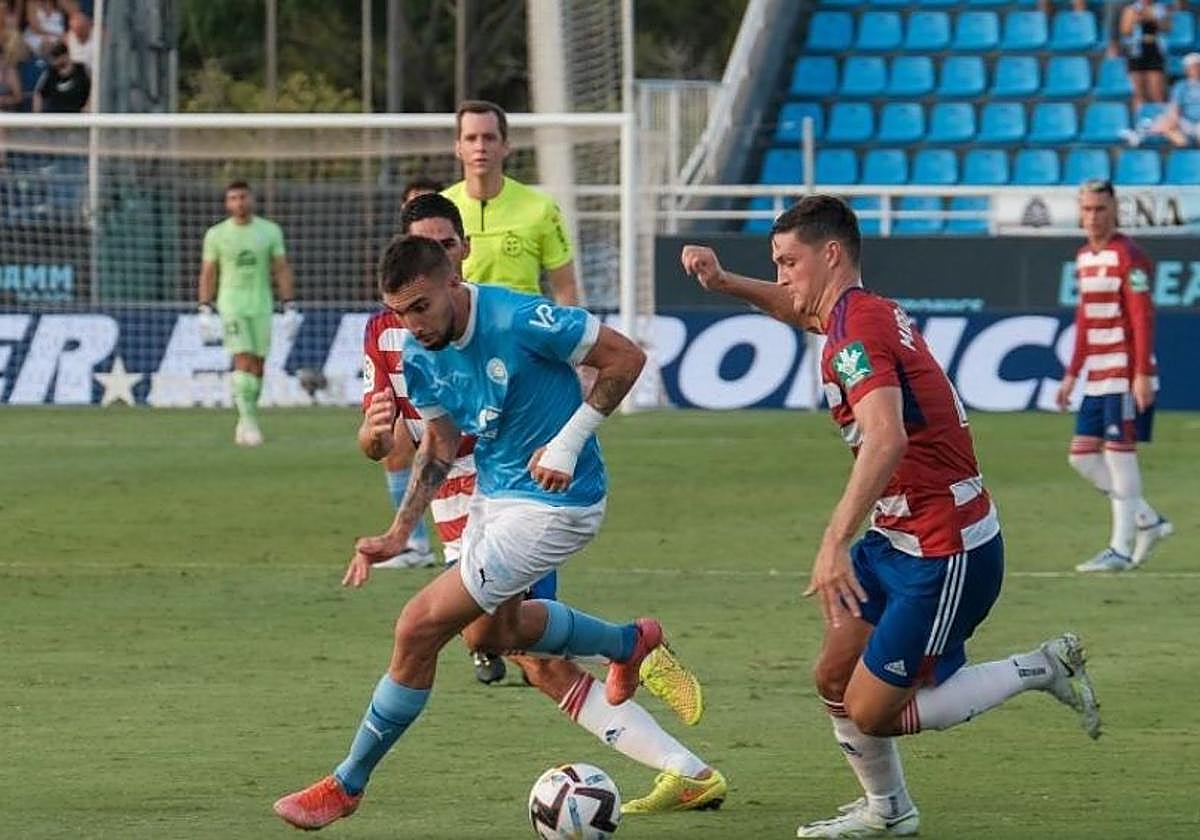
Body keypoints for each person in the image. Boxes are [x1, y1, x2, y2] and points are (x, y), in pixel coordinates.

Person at [681, 195, 1101, 838]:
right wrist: (723, 282)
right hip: (898, 536)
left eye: (789, 262)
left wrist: (831, 542)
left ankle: (1040, 666)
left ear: (831, 255)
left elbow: (886, 438)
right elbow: (798, 309)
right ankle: (890, 811)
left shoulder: (858, 329)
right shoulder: (856, 313)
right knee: (832, 675)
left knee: (872, 712)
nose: (784, 276)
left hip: (945, 548)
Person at [273, 234, 702, 830]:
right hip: (494, 500)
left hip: (559, 504)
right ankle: (629, 642)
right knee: (492, 637)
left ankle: (346, 784)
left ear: (453, 280)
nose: (412, 325)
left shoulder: (520, 316)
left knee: (417, 627)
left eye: (421, 307)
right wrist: (400, 531)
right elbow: (441, 444)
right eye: (399, 313)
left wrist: (567, 443)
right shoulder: (419, 354)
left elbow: (625, 357)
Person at [1056, 180, 1171, 572]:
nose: (1092, 217)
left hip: (1124, 372)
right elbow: (1086, 319)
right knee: (1081, 456)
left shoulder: (1129, 256)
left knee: (1120, 458)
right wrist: (1073, 374)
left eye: (1100, 209)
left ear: (1115, 210)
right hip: (1098, 375)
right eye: (1086, 209)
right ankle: (1148, 520)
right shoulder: (1085, 257)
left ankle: (1120, 549)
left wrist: (1141, 373)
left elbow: (1142, 316)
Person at [443, 99, 581, 305]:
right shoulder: (440, 208)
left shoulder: (541, 208)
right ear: (458, 148)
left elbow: (565, 287)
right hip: (463, 334)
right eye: (471, 138)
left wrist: (565, 335)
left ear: (506, 146)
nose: (480, 147)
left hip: (524, 333)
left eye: (489, 138)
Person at [197, 180, 298, 446]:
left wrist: (288, 305)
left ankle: (246, 418)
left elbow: (280, 268)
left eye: (243, 197)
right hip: (231, 305)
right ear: (227, 203)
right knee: (242, 360)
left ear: (252, 200)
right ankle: (250, 422)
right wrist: (205, 307)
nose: (239, 202)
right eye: (233, 198)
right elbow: (209, 272)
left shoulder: (269, 231)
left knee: (258, 365)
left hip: (262, 305)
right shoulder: (216, 234)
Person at [1128, 51, 1200, 146]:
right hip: (1186, 122)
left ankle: (1143, 135)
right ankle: (1187, 147)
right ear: (1186, 69)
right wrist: (1173, 118)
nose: (1194, 69)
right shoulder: (1181, 86)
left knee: (1169, 126)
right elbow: (1175, 107)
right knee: (1170, 128)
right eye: (1191, 67)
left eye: (1196, 66)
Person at [1121, 1, 1172, 115]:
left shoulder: (1160, 9)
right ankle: (1140, 122)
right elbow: (1125, 30)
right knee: (1138, 93)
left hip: (1154, 50)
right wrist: (1136, 19)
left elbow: (1167, 27)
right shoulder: (1131, 9)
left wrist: (1153, 18)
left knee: (1156, 92)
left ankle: (1159, 121)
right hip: (1136, 51)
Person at [32, 40, 87, 113]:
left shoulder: (80, 70)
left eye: (59, 56)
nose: (57, 61)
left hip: (75, 116)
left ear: (67, 55)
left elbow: (89, 92)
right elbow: (38, 94)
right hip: (55, 116)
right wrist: (37, 117)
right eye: (55, 57)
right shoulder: (50, 72)